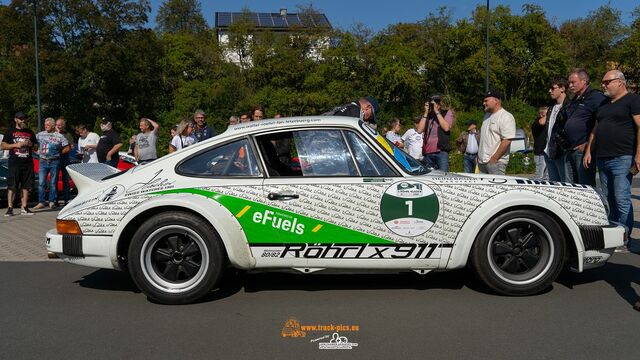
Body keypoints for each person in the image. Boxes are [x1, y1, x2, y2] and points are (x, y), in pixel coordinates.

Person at [584, 70, 640, 253]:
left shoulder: (632, 100)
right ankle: (615, 237)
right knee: (609, 199)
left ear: (620, 82)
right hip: (602, 157)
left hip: (622, 157)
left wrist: (638, 156)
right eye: (603, 82)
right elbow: (595, 128)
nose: (603, 85)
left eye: (607, 82)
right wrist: (588, 151)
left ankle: (624, 238)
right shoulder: (604, 104)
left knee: (622, 198)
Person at [563, 69, 606, 185]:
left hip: (582, 150)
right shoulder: (574, 99)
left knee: (585, 187)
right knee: (571, 187)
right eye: (569, 83)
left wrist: (589, 144)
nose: (570, 85)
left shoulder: (595, 97)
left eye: (573, 82)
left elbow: (603, 120)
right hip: (570, 148)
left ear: (584, 81)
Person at [1, 112, 37, 216]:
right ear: (15, 119)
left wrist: (31, 144)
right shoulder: (10, 131)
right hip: (14, 162)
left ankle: (24, 207)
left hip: (27, 162)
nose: (23, 120)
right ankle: (10, 208)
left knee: (26, 186)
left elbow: (36, 147)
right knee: (12, 186)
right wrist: (16, 144)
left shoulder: (30, 132)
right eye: (21, 119)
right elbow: (2, 146)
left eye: (24, 118)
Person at [34, 117, 70, 210]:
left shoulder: (59, 136)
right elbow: (32, 142)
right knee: (41, 182)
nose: (46, 126)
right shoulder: (40, 135)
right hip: (43, 161)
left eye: (48, 125)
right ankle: (41, 202)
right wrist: (36, 150)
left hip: (54, 161)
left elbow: (67, 147)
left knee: (53, 183)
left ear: (53, 126)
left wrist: (59, 153)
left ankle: (52, 201)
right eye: (45, 125)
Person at [478, 90, 516, 175]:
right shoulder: (486, 116)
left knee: (496, 188)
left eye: (486, 101)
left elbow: (507, 141)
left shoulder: (506, 116)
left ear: (496, 100)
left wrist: (494, 158)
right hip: (482, 163)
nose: (483, 103)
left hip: (496, 163)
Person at [544, 78, 571, 182]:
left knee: (566, 184)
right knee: (554, 185)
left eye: (552, 88)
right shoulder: (551, 107)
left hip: (562, 151)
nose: (550, 91)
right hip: (549, 151)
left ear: (562, 89)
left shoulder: (569, 106)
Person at [421, 95, 454, 171]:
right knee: (429, 179)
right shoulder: (428, 116)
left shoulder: (447, 113)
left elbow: (446, 128)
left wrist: (436, 111)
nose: (434, 106)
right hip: (427, 153)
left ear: (439, 104)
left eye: (436, 103)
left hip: (441, 152)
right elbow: (419, 130)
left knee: (443, 178)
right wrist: (425, 113)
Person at [55, 118, 75, 205]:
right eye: (57, 125)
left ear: (63, 125)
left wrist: (62, 151)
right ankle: (54, 200)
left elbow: (71, 146)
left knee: (65, 180)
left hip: (65, 159)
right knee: (54, 180)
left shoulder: (68, 135)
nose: (58, 126)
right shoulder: (52, 134)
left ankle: (67, 199)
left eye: (60, 125)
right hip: (54, 160)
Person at [531, 107, 549, 181]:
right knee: (539, 176)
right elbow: (541, 122)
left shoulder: (547, 124)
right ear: (541, 115)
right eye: (547, 114)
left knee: (547, 177)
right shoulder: (536, 123)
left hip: (547, 152)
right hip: (540, 152)